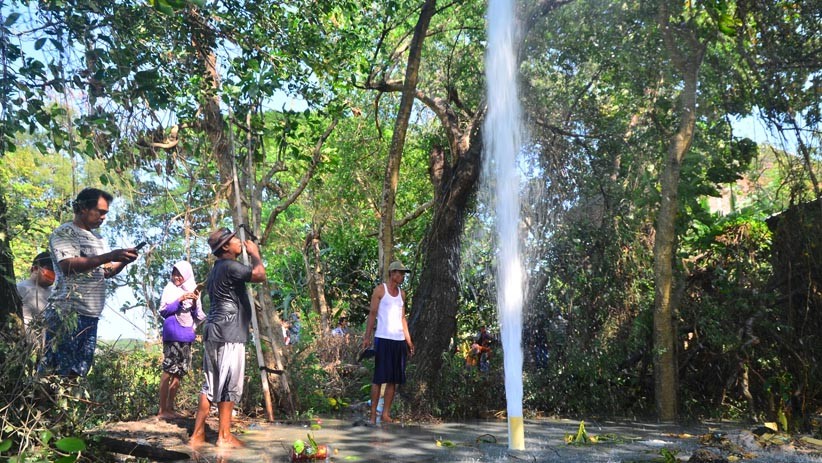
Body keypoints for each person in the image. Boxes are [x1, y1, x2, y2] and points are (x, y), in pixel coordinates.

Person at [40, 188, 139, 377]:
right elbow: (68, 266)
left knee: (78, 372)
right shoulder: (65, 232)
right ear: (83, 208)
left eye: (106, 213)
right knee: (54, 373)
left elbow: (106, 272)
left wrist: (123, 260)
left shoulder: (98, 239)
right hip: (67, 313)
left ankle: (67, 406)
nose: (103, 217)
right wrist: (109, 255)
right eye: (100, 212)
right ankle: (42, 406)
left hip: (91, 316)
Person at [190, 227, 265, 448]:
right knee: (228, 384)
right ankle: (223, 436)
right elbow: (260, 275)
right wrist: (255, 254)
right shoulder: (231, 266)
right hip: (229, 333)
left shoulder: (216, 270)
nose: (239, 242)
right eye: (234, 240)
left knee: (211, 385)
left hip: (215, 331)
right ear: (225, 247)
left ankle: (198, 435)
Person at [361, 260, 415, 425]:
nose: (402, 276)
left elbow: (402, 318)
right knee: (379, 379)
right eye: (400, 273)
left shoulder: (402, 294)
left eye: (404, 273)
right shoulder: (380, 290)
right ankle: (372, 415)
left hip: (398, 341)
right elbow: (372, 314)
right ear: (392, 274)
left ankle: (385, 414)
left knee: (393, 379)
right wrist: (367, 337)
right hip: (383, 339)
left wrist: (409, 341)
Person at [157, 261, 206, 419]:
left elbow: (197, 315)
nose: (177, 277)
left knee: (179, 372)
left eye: (180, 274)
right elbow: (164, 311)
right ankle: (162, 409)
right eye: (174, 273)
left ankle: (170, 408)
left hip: (186, 334)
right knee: (168, 370)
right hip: (172, 333)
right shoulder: (169, 289)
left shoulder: (193, 289)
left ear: (187, 275)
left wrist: (192, 302)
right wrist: (179, 299)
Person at [16, 251, 55, 333]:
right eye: (50, 270)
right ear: (35, 268)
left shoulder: (56, 292)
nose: (53, 274)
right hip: (25, 338)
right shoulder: (20, 288)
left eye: (55, 271)